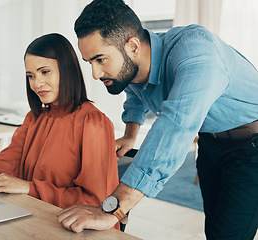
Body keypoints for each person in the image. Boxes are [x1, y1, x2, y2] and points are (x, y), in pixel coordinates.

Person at [57, 0, 258, 239]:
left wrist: (114, 210)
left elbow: (174, 128)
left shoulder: (197, 54)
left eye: (101, 60)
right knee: (214, 227)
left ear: (132, 46)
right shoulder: (137, 63)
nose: (95, 73)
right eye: (90, 62)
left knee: (230, 234)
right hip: (210, 143)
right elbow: (133, 89)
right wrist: (131, 133)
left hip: (251, 148)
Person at [0, 33, 120, 224]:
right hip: (31, 217)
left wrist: (28, 187)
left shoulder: (93, 122)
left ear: (67, 71)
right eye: (30, 76)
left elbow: (95, 202)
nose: (36, 83)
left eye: (45, 72)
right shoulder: (35, 117)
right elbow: (5, 164)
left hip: (71, 228)